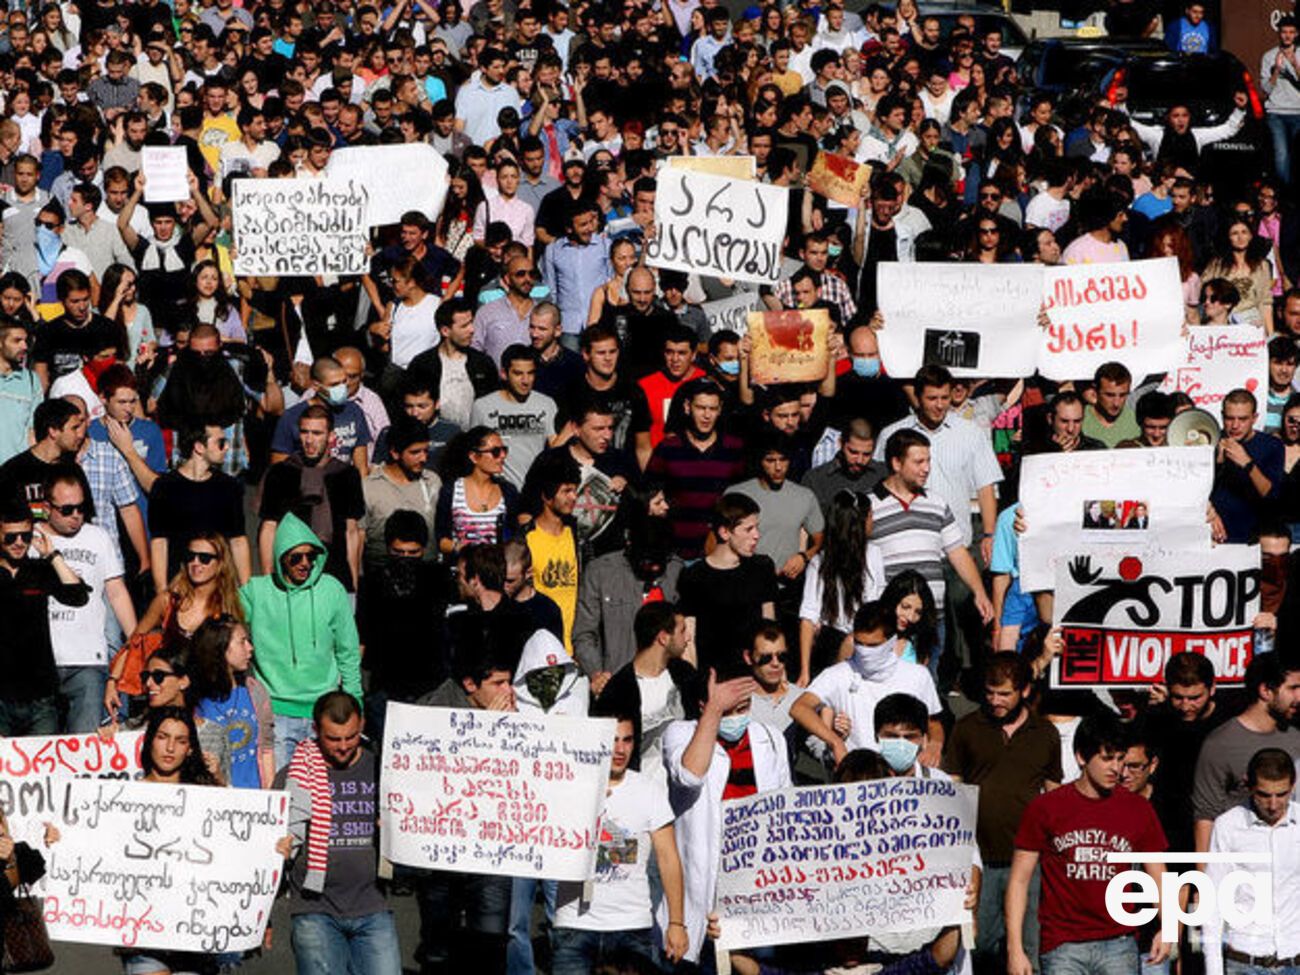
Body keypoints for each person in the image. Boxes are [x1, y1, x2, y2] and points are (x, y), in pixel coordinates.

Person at [661, 659, 792, 966]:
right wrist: (715, 711)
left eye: (743, 708)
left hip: (756, 888)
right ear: (703, 704)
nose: (736, 718)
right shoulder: (680, 733)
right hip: (706, 886)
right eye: (728, 710)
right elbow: (690, 775)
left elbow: (785, 807)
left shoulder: (770, 739)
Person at [945, 652, 1062, 972]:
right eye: (990, 692)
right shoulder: (967, 728)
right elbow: (953, 790)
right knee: (978, 945)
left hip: (1029, 862)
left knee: (1028, 949)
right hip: (978, 861)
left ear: (1024, 691)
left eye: (1004, 693)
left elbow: (1054, 795)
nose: (995, 700)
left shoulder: (1045, 733)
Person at [551, 710, 689, 972]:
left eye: (627, 740)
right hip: (575, 926)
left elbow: (669, 858)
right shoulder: (568, 785)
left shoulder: (649, 790)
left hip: (632, 926)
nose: (620, 749)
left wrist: (676, 923)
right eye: (612, 740)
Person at [279, 691, 402, 975]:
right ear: (315, 730)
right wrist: (280, 847)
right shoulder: (295, 774)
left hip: (373, 905)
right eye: (333, 739)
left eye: (351, 736)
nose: (344, 746)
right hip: (314, 909)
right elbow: (268, 833)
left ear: (361, 727)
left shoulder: (383, 771)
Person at [241, 513, 364, 768]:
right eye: (296, 557)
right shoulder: (258, 591)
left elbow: (348, 651)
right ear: (280, 557)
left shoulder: (332, 589)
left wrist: (355, 704)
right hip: (275, 714)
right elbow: (218, 611)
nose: (304, 563)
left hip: (326, 714)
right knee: (282, 795)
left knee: (325, 798)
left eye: (311, 555)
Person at [106, 531, 243, 720]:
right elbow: (135, 643)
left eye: (204, 558)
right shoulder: (168, 601)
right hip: (172, 701)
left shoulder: (228, 607)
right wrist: (112, 682)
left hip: (211, 700)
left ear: (220, 564)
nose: (195, 563)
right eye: (190, 557)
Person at [42, 468, 136, 732]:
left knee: (83, 746)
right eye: (67, 509)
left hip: (88, 661)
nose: (76, 516)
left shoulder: (98, 537)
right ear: (47, 507)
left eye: (81, 508)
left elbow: (116, 592)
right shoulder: (29, 539)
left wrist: (137, 641)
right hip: (42, 662)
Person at [1201, 746, 1300, 975]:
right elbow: (1213, 901)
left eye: (1282, 794)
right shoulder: (1229, 826)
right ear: (1250, 787)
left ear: (1292, 787)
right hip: (1245, 961)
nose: (1273, 805)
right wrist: (1214, 970)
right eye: (1264, 795)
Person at [1193, 652, 1300, 851]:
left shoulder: (1296, 738)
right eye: (1293, 688)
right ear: (1266, 691)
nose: (1299, 696)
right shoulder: (1220, 744)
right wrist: (1204, 877)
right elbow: (1205, 818)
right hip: (1239, 866)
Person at [0, 502, 90, 735]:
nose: (19, 542)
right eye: (10, 537)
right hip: (2, 699)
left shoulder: (40, 570)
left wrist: (52, 556)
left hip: (41, 698)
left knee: (44, 772)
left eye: (25, 535)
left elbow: (78, 596)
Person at [259, 404, 365, 592]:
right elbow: (269, 527)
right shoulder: (280, 473)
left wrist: (353, 579)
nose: (309, 440)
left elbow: (352, 532)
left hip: (335, 571)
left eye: (317, 433)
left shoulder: (347, 475)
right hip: (289, 572)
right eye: (304, 432)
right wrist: (268, 578)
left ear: (331, 436)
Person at [646, 379, 746, 560]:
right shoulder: (668, 448)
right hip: (676, 553)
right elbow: (649, 491)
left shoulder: (733, 448)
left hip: (719, 552)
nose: (707, 415)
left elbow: (741, 500)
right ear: (687, 407)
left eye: (713, 409)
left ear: (720, 410)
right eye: (701, 408)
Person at [678, 493, 777, 674]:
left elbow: (769, 629)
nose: (757, 535)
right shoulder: (694, 576)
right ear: (725, 532)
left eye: (757, 527)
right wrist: (692, 686)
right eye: (748, 529)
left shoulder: (762, 567)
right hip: (713, 678)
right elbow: (688, 639)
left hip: (754, 677)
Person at [147, 423, 251, 592]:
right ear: (199, 447)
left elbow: (238, 540)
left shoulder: (229, 487)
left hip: (218, 583)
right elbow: (159, 542)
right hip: (179, 581)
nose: (226, 448)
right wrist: (161, 590)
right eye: (220, 443)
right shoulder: (165, 487)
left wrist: (247, 590)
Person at [798, 489, 887, 685]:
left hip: (866, 641)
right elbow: (808, 617)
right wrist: (805, 671)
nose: (874, 520)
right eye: (871, 515)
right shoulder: (820, 562)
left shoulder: (874, 554)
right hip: (831, 644)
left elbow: (878, 603)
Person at [187, 615, 275, 789]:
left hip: (255, 796)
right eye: (242, 642)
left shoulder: (255, 691)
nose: (250, 648)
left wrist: (270, 794)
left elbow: (266, 749)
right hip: (216, 799)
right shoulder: (195, 699)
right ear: (221, 647)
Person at [469, 345, 558, 489]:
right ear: (504, 374)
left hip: (535, 489)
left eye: (530, 373)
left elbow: (556, 447)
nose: (525, 380)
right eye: (518, 373)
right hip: (497, 490)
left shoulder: (546, 404)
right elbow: (474, 453)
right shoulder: (483, 406)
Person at [361, 415, 442, 569]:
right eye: (415, 452)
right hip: (381, 572)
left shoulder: (432, 482)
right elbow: (357, 537)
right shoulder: (369, 487)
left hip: (426, 571)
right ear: (395, 452)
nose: (423, 458)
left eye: (426, 450)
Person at [1211, 389, 1284, 543]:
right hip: (1216, 536)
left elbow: (1272, 495)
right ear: (1222, 416)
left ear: (1254, 418)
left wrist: (1247, 463)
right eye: (1230, 418)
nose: (1235, 425)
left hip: (1254, 537)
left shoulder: (1272, 445)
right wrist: (1217, 463)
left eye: (1242, 419)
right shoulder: (1211, 442)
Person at [435, 426, 521, 554]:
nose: (502, 456)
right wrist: (464, 550)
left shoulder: (508, 491)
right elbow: (442, 539)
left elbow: (515, 536)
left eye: (504, 450)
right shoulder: (451, 490)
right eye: (495, 452)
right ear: (474, 457)